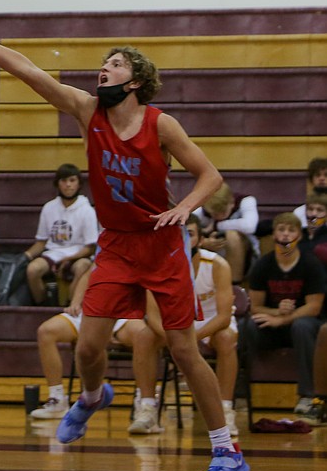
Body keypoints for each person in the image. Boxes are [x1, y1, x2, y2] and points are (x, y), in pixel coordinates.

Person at [0, 8, 249, 471]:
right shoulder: (87, 110)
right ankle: (94, 396)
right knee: (87, 348)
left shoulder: (161, 124)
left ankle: (226, 453)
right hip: (116, 244)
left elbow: (210, 175)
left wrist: (186, 208)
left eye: (116, 63)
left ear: (136, 79)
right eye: (105, 61)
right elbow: (28, 70)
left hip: (161, 245)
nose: (105, 67)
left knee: (183, 350)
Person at [128, 215, 240, 435]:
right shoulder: (158, 264)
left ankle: (225, 409)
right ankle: (147, 408)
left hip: (211, 323)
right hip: (173, 324)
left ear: (199, 238)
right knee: (144, 336)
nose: (184, 239)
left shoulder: (217, 265)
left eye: (189, 234)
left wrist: (190, 339)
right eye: (178, 235)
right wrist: (176, 338)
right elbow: (152, 316)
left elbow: (224, 317)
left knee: (227, 337)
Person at [241, 212, 326, 417]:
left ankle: (307, 396)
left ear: (299, 235)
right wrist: (276, 312)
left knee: (303, 325)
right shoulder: (263, 265)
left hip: (304, 325)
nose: (286, 235)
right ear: (273, 235)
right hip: (273, 324)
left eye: (291, 230)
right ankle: (240, 394)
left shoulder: (311, 264)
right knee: (247, 325)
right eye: (281, 229)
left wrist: (285, 318)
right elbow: (256, 307)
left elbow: (314, 307)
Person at [29, 266, 140, 422]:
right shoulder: (108, 250)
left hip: (126, 313)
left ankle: (145, 402)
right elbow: (89, 274)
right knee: (46, 331)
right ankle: (57, 399)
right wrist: (75, 302)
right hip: (93, 311)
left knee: (144, 336)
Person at [23, 163, 98, 306]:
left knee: (83, 267)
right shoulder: (49, 207)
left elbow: (90, 248)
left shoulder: (87, 210)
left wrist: (68, 259)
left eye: (72, 180)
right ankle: (43, 305)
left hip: (79, 255)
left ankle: (70, 305)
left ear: (79, 184)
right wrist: (25, 256)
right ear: (57, 184)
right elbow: (41, 242)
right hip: (53, 253)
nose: (68, 185)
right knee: (32, 269)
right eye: (63, 181)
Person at [193, 183, 259, 284]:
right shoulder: (202, 210)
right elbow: (184, 227)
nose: (219, 216)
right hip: (214, 256)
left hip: (247, 258)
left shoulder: (246, 201)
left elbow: (250, 226)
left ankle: (234, 285)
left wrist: (217, 225)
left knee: (232, 236)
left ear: (231, 203)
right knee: (192, 238)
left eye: (223, 212)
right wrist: (204, 242)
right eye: (215, 214)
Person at [294, 157, 327, 228]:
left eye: (326, 175)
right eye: (318, 175)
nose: (322, 178)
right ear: (311, 179)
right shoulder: (299, 212)